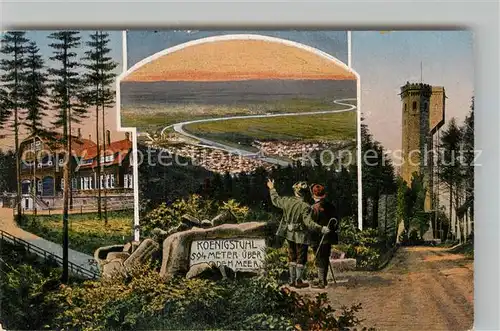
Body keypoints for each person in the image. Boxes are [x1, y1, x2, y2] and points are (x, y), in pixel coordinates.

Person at [267, 179, 330, 288]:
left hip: (289, 235)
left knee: (292, 256)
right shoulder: (305, 206)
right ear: (305, 194)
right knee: (301, 258)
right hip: (301, 236)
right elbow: (308, 223)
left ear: (295, 191)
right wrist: (321, 228)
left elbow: (275, 200)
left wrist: (272, 188)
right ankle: (298, 281)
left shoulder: (287, 201)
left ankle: (292, 281)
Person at [309, 183, 339, 289]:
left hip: (318, 238)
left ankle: (321, 282)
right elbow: (336, 222)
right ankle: (323, 281)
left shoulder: (313, 208)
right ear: (324, 195)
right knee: (325, 258)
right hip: (328, 238)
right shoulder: (331, 206)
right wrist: (330, 230)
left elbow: (311, 225)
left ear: (313, 195)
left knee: (319, 259)